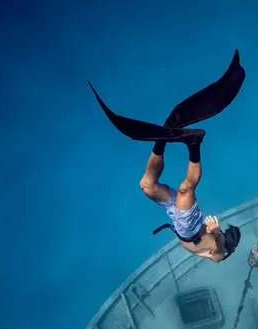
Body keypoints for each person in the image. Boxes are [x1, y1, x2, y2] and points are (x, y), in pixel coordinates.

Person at [88, 50, 245, 262]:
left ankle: (163, 137)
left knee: (147, 185)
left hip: (177, 218)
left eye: (228, 238)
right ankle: (194, 144)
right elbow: (217, 248)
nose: (226, 240)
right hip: (187, 225)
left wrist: (217, 233)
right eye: (228, 237)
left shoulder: (220, 250)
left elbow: (217, 249)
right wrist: (216, 233)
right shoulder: (219, 249)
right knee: (185, 189)